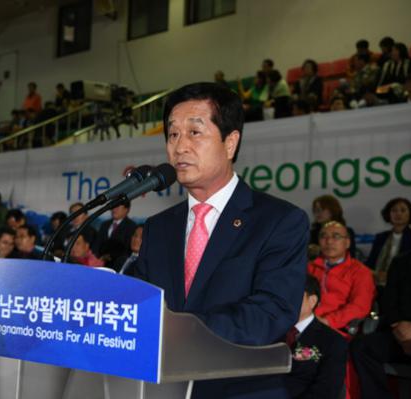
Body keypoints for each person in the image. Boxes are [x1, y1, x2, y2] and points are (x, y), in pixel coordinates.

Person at [135, 83, 309, 398]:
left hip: (238, 389)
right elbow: (142, 303)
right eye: (173, 134)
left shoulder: (280, 221)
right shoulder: (157, 228)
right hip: (161, 388)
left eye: (194, 133)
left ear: (230, 143)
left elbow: (271, 312)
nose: (180, 146)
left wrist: (179, 329)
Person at [350, 206, 411, 399]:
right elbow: (389, 300)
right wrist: (399, 326)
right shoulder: (402, 261)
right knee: (362, 346)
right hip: (401, 333)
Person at [284, 275, 348, 398]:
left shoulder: (333, 341)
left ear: (312, 301)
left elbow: (326, 390)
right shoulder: (270, 331)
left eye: (294, 295)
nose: (287, 300)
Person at [307, 221, 375, 335]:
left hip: (338, 327)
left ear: (347, 243)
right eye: (323, 236)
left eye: (336, 236)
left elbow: (359, 307)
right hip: (305, 322)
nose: (329, 241)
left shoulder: (360, 271)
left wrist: (327, 321)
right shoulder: (309, 267)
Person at [366, 198, 411, 283]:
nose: (398, 214)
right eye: (394, 210)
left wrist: (390, 275)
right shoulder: (380, 237)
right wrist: (376, 274)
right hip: (377, 282)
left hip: (403, 283)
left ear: (410, 214)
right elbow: (370, 263)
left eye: (403, 210)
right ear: (388, 214)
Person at [94, 198, 137, 263]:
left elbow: (128, 249)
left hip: (119, 264)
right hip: (99, 262)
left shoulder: (131, 226)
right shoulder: (104, 225)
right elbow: (97, 245)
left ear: (126, 209)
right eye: (113, 206)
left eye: (117, 207)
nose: (114, 209)